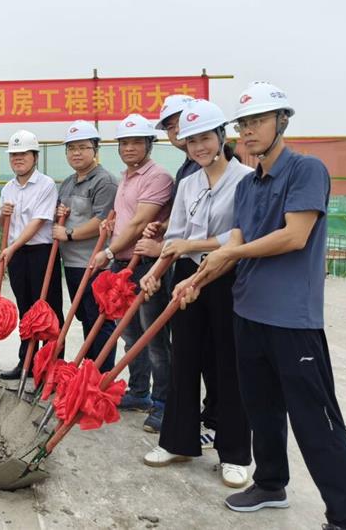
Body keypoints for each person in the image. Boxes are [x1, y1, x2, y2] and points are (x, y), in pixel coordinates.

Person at [175, 83, 346, 527]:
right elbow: (234, 241)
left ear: (282, 121)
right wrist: (197, 279)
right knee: (261, 408)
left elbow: (294, 236)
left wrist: (230, 253)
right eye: (244, 123)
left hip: (291, 319)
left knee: (314, 417)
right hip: (247, 312)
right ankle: (271, 483)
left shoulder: (306, 170)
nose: (249, 130)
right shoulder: (249, 184)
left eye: (258, 120)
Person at [138, 100, 252, 489]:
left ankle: (234, 454)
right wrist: (154, 273)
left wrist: (191, 245)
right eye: (191, 141)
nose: (199, 147)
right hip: (187, 276)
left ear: (222, 136)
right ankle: (178, 442)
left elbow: (238, 236)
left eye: (205, 138)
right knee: (184, 358)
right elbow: (174, 239)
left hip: (227, 276)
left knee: (228, 362)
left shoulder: (245, 180)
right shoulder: (188, 184)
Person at [91, 113, 173, 432]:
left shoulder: (158, 177)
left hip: (146, 264)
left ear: (149, 144)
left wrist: (109, 251)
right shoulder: (126, 176)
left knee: (153, 337)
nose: (129, 148)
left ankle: (164, 403)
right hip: (123, 262)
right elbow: (125, 217)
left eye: (136, 142)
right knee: (129, 332)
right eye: (124, 143)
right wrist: (110, 227)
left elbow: (140, 223)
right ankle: (139, 392)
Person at [153, 94, 218, 448]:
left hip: (218, 271)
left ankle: (217, 423)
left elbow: (234, 235)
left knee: (216, 354)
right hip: (186, 268)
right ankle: (182, 434)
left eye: (200, 134)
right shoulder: (187, 173)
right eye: (173, 127)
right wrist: (161, 258)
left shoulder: (234, 175)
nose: (180, 133)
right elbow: (181, 226)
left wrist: (182, 248)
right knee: (186, 351)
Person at [53, 120, 119, 371]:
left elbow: (102, 220)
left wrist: (69, 233)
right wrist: (61, 213)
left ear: (95, 149)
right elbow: (64, 212)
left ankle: (101, 374)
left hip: (96, 264)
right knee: (85, 318)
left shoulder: (105, 181)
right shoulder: (69, 182)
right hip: (72, 263)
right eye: (71, 148)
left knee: (100, 322)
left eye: (83, 147)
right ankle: (89, 370)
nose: (76, 153)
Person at [0, 130, 61, 379]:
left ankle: (52, 365)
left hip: (40, 253)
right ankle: (27, 363)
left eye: (23, 154)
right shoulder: (8, 188)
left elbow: (37, 222)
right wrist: (2, 214)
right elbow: (2, 222)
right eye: (14, 155)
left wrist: (11, 248)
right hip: (17, 256)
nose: (18, 159)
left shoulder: (46, 185)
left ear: (35, 156)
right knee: (25, 309)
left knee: (48, 309)